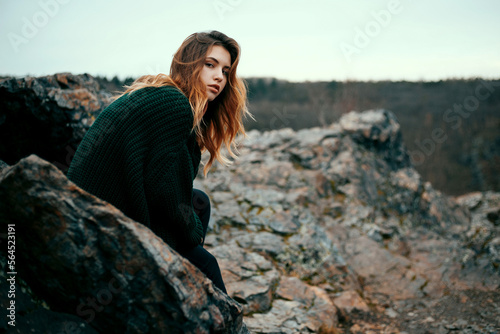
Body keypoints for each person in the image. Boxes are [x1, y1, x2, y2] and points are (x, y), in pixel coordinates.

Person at [67, 31, 250, 294]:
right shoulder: (175, 106)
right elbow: (168, 197)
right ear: (189, 63)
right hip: (98, 227)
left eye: (225, 70)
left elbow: (167, 185)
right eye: (210, 65)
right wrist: (193, 232)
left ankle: (179, 286)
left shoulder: (167, 95)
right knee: (206, 264)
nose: (219, 76)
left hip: (104, 209)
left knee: (200, 202)